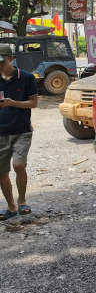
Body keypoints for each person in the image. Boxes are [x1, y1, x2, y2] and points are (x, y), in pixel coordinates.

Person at [0, 44, 38, 220]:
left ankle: (22, 201)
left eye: (2, 62)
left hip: (22, 130)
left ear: (11, 58)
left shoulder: (27, 78)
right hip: (1, 131)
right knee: (2, 171)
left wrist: (12, 103)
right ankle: (11, 206)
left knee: (18, 165)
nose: (0, 65)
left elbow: (33, 103)